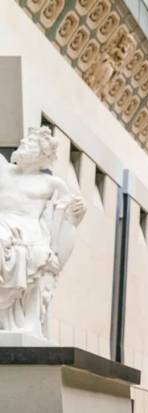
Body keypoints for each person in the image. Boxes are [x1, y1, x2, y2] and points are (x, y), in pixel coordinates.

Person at [0, 126, 86, 338]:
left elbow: (66, 221)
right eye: (24, 142)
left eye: (29, 144)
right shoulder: (3, 169)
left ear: (42, 155)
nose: (22, 145)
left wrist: (76, 214)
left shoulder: (52, 184)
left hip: (28, 232)